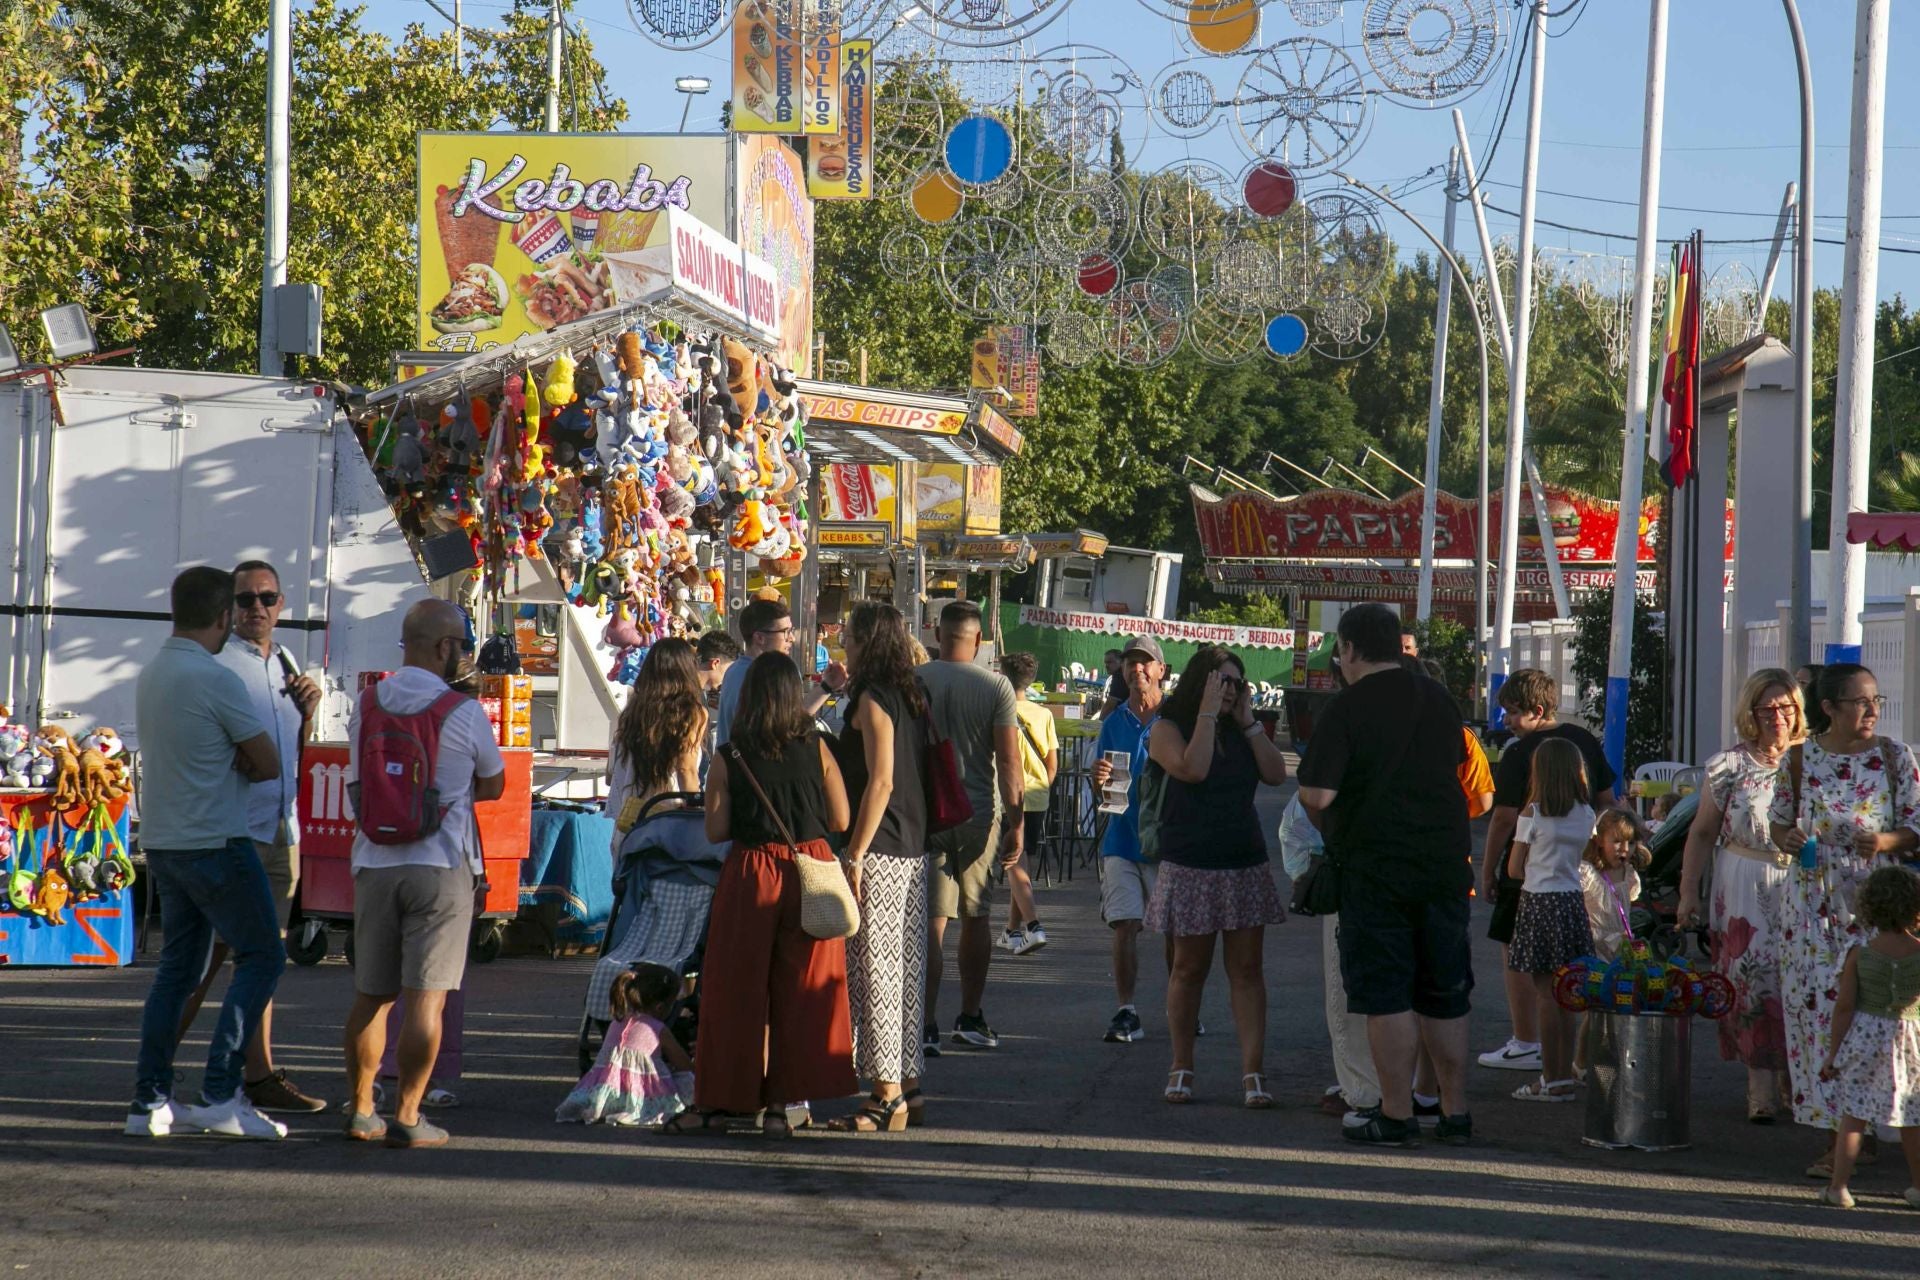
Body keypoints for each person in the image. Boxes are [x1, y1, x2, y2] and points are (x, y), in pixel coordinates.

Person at [1297, 602, 1475, 1148]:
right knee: (1443, 990)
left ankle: (1396, 1113)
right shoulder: (1439, 699)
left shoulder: (1347, 708)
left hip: (1375, 868)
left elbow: (1318, 793)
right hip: (1445, 863)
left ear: (1349, 649)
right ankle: (1455, 1111)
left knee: (1387, 994)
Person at [126, 567, 286, 1141]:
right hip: (217, 839)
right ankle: (221, 1093)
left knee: (176, 973)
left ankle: (149, 1102)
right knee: (263, 956)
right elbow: (267, 764)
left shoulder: (152, 672)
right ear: (223, 617)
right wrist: (236, 757)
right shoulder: (215, 678)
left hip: (165, 842)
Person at [342, 599, 505, 1150]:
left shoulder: (365, 704)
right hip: (439, 866)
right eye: (460, 644)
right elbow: (494, 784)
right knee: (426, 1001)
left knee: (372, 996)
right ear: (443, 648)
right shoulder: (463, 711)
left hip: (373, 863)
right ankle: (410, 1116)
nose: (463, 653)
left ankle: (363, 1109)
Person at [169, 560, 326, 1116]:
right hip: (232, 832)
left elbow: (294, 753)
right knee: (200, 963)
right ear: (226, 608)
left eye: (267, 598)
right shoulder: (219, 665)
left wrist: (307, 714)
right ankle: (156, 1072)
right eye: (244, 600)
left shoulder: (283, 661)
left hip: (281, 829)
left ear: (281, 604)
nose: (255, 608)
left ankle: (258, 1074)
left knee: (265, 960)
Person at [1769, 662, 1920, 1178]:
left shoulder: (1894, 756)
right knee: (1822, 1016)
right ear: (1829, 707)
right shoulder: (1798, 758)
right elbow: (1779, 821)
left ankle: (1883, 1125)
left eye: (1876, 699)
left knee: (1878, 1012)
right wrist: (1785, 838)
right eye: (1860, 701)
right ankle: (1840, 1136)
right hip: (1812, 907)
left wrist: (1883, 841)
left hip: (1878, 906)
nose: (1872, 710)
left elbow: (1915, 828)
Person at [695, 652, 855, 1136]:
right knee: (804, 990)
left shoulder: (731, 754)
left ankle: (733, 1097)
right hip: (810, 869)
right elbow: (841, 820)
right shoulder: (818, 747)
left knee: (738, 989)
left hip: (751, 871)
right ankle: (785, 1105)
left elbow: (715, 831)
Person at [1145, 646, 1289, 1108]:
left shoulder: (1241, 727)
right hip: (1191, 862)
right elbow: (1193, 767)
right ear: (1200, 682)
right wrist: (1206, 714)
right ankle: (1180, 1064)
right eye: (1220, 682)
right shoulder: (1169, 727)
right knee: (1188, 968)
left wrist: (1248, 723)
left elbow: (1274, 774)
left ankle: (1253, 1072)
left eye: (1235, 683)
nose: (1229, 691)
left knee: (1247, 971)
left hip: (1242, 859)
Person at [1477, 670, 1618, 1074]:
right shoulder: (1585, 740)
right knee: (1571, 966)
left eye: (1513, 712)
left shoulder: (1521, 755)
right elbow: (1609, 799)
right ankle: (1572, 1057)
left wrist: (1490, 870)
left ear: (1537, 711)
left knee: (1519, 954)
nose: (1506, 721)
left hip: (1529, 876)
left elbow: (1503, 819)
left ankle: (1526, 1041)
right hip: (1580, 873)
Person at [1677, 668, 1801, 1123]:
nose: (1778, 716)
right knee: (1753, 982)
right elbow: (1702, 831)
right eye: (1767, 708)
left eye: (1786, 707)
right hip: (1744, 879)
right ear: (1750, 713)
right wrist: (1689, 891)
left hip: (1798, 882)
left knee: (1797, 982)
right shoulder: (1729, 765)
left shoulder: (1811, 763)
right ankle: (1760, 1086)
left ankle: (1796, 1080)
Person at [834, 604, 931, 1128]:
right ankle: (908, 1085)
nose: (842, 642)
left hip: (880, 847)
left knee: (874, 971)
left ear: (868, 642)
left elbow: (881, 781)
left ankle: (885, 1094)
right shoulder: (913, 694)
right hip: (914, 846)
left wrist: (854, 852)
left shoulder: (872, 700)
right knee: (905, 970)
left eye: (848, 636)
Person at [920, 600, 1023, 1051]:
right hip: (979, 812)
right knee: (976, 916)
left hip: (926, 813)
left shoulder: (916, 681)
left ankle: (922, 1022)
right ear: (979, 641)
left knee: (931, 923)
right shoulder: (997, 688)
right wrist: (1016, 821)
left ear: (937, 635)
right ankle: (970, 1014)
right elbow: (1009, 760)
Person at [1817, 864, 1920, 1210]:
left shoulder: (1859, 952)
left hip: (1865, 1037)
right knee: (1912, 1117)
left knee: (1854, 1115)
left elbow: (1844, 1006)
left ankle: (1840, 1187)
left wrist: (1834, 1053)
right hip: (1910, 1040)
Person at [1504, 739, 1597, 1103]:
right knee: (1567, 993)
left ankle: (1549, 1078)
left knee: (1544, 994)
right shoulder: (1586, 814)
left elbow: (1514, 868)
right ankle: (1565, 1074)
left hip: (1538, 903)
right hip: (1572, 903)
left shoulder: (1533, 813)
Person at [1091, 636, 1172, 1044]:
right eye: (1130, 663)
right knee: (1125, 924)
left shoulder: (1176, 720)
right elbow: (1104, 791)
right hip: (1121, 838)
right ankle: (1127, 1010)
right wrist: (1098, 781)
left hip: (1167, 843)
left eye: (1145, 662)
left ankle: (1181, 1005)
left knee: (1176, 931)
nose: (1136, 669)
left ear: (1161, 670)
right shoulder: (1112, 723)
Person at [556, 962, 695, 1128]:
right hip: (640, 1095)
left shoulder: (618, 1021)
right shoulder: (657, 1029)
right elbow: (684, 1065)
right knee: (689, 1080)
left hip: (603, 1091)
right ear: (660, 1007)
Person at [605, 638, 706, 861]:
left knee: (629, 893)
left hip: (629, 823)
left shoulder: (631, 712)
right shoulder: (691, 713)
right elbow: (686, 770)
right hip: (668, 824)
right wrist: (698, 814)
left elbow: (610, 774)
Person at [714, 598, 845, 746]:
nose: (792, 638)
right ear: (759, 638)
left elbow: (790, 719)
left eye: (791, 631)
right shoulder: (757, 676)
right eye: (785, 632)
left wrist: (826, 687)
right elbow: (783, 730)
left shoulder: (737, 670)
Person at [1577, 808, 1648, 1074]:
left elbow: (1628, 902)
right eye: (1616, 841)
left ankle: (1613, 1059)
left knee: (1620, 1006)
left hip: (1621, 948)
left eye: (1629, 843)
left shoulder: (1628, 873)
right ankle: (1581, 1061)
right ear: (1599, 840)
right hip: (1596, 945)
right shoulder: (1588, 873)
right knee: (1596, 1009)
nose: (1624, 849)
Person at [999, 651, 1056, 956]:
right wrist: (1042, 785)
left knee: (1012, 861)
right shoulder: (1044, 714)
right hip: (1038, 795)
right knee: (1022, 862)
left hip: (1009, 796)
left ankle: (1033, 925)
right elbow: (1052, 762)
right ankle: (1011, 930)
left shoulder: (999, 709)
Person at [1099, 648, 1126, 718]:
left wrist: (1099, 724)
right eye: (1105, 663)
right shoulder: (1122, 673)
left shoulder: (1119, 676)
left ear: (1121, 662)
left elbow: (1110, 705)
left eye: (1110, 662)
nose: (1106, 666)